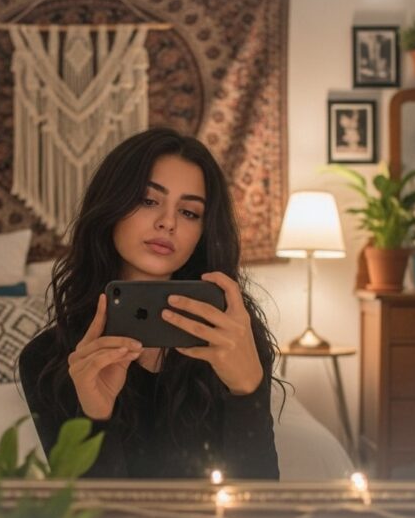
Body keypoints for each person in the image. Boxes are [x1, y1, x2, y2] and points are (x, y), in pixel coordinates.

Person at [19, 127, 282, 480]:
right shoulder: (50, 359)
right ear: (112, 207)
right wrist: (95, 418)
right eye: (148, 201)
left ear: (203, 232)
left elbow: (258, 510)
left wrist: (247, 389)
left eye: (189, 212)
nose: (167, 222)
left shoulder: (232, 338)